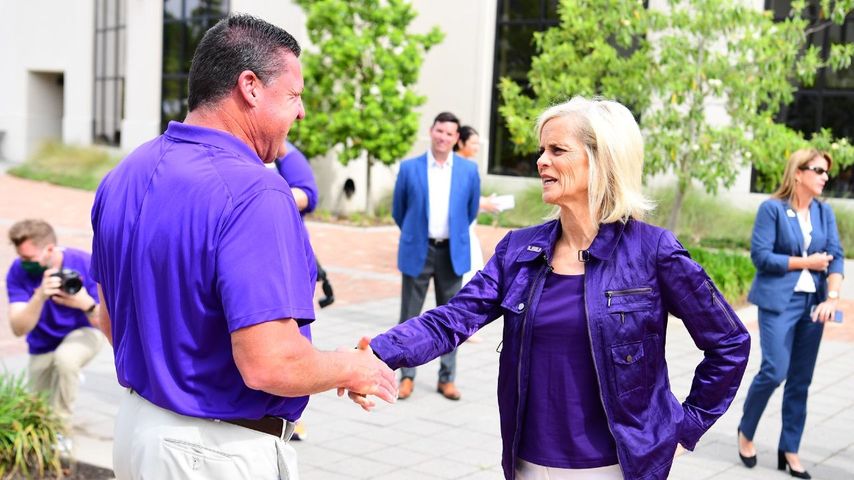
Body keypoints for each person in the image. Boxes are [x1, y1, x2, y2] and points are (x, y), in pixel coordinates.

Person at [364, 97, 751, 479]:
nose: (541, 161)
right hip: (527, 465)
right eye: (541, 150)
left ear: (601, 160)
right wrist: (375, 355)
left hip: (616, 469)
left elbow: (730, 342)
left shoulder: (652, 251)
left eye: (557, 150)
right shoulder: (518, 250)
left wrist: (686, 428)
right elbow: (450, 320)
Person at [89, 15, 396, 479]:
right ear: (250, 87)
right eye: (293, 95)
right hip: (215, 450)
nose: (301, 112)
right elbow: (270, 364)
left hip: (137, 431)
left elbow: (110, 319)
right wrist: (353, 367)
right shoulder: (256, 191)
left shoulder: (124, 174)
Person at [737, 148, 843, 479]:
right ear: (798, 173)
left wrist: (833, 298)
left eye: (826, 172)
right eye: (818, 170)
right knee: (774, 370)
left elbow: (837, 256)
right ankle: (746, 430)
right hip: (779, 302)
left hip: (814, 304)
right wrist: (806, 262)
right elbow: (761, 256)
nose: (825, 177)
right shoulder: (772, 209)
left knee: (800, 379)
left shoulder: (825, 213)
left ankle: (790, 449)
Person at [391, 111, 481, 401]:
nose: (443, 137)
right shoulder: (409, 168)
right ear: (431, 131)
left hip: (451, 252)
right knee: (409, 317)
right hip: (419, 248)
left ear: (457, 138)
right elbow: (399, 210)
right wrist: (416, 234)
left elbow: (470, 212)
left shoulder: (469, 171)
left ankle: (447, 378)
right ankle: (406, 376)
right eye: (439, 131)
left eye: (449, 133)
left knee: (452, 318)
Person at [5, 219, 105, 445]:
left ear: (50, 249)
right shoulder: (18, 271)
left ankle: (62, 431)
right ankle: (65, 376)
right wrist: (39, 296)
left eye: (29, 258)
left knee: (66, 360)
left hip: (84, 331)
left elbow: (108, 324)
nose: (24, 263)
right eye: (21, 257)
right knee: (34, 407)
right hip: (42, 342)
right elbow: (19, 329)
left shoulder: (84, 263)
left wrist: (85, 304)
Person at [454, 125, 501, 287]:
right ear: (460, 143)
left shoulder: (468, 167)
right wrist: (482, 203)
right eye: (473, 143)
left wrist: (483, 202)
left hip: (468, 229)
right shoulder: (454, 167)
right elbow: (455, 199)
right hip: (460, 231)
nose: (477, 147)